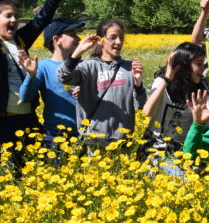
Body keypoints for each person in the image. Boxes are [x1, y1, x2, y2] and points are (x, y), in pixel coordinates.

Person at [0, 0, 66, 158]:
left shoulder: (20, 40)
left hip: (28, 117)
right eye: (8, 16)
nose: (14, 20)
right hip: (2, 121)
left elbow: (41, 20)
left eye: (16, 16)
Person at [57, 18, 147, 149]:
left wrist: (138, 84)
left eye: (121, 37)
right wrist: (78, 52)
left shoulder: (129, 68)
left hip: (122, 141)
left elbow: (140, 105)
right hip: (93, 140)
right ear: (101, 40)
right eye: (113, 37)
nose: (119, 42)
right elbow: (63, 76)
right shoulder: (88, 67)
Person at [16, 19, 83, 146]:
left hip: (85, 135)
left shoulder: (84, 66)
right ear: (57, 40)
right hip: (54, 137)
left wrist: (87, 91)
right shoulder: (43, 67)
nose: (78, 38)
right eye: (72, 34)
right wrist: (31, 75)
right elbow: (25, 97)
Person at [142, 42, 209, 157]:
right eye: (199, 64)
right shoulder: (161, 83)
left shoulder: (201, 85)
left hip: (185, 149)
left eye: (203, 64)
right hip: (155, 147)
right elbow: (147, 112)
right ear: (185, 66)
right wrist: (167, 79)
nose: (203, 69)